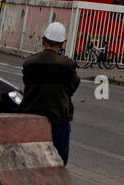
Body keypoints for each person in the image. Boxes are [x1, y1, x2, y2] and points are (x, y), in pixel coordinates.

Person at [20, 21, 80, 164]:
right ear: (62, 44)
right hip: (58, 118)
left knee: (30, 159)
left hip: (31, 117)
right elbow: (73, 86)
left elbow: (26, 83)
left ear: (43, 40)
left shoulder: (29, 63)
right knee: (59, 161)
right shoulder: (67, 65)